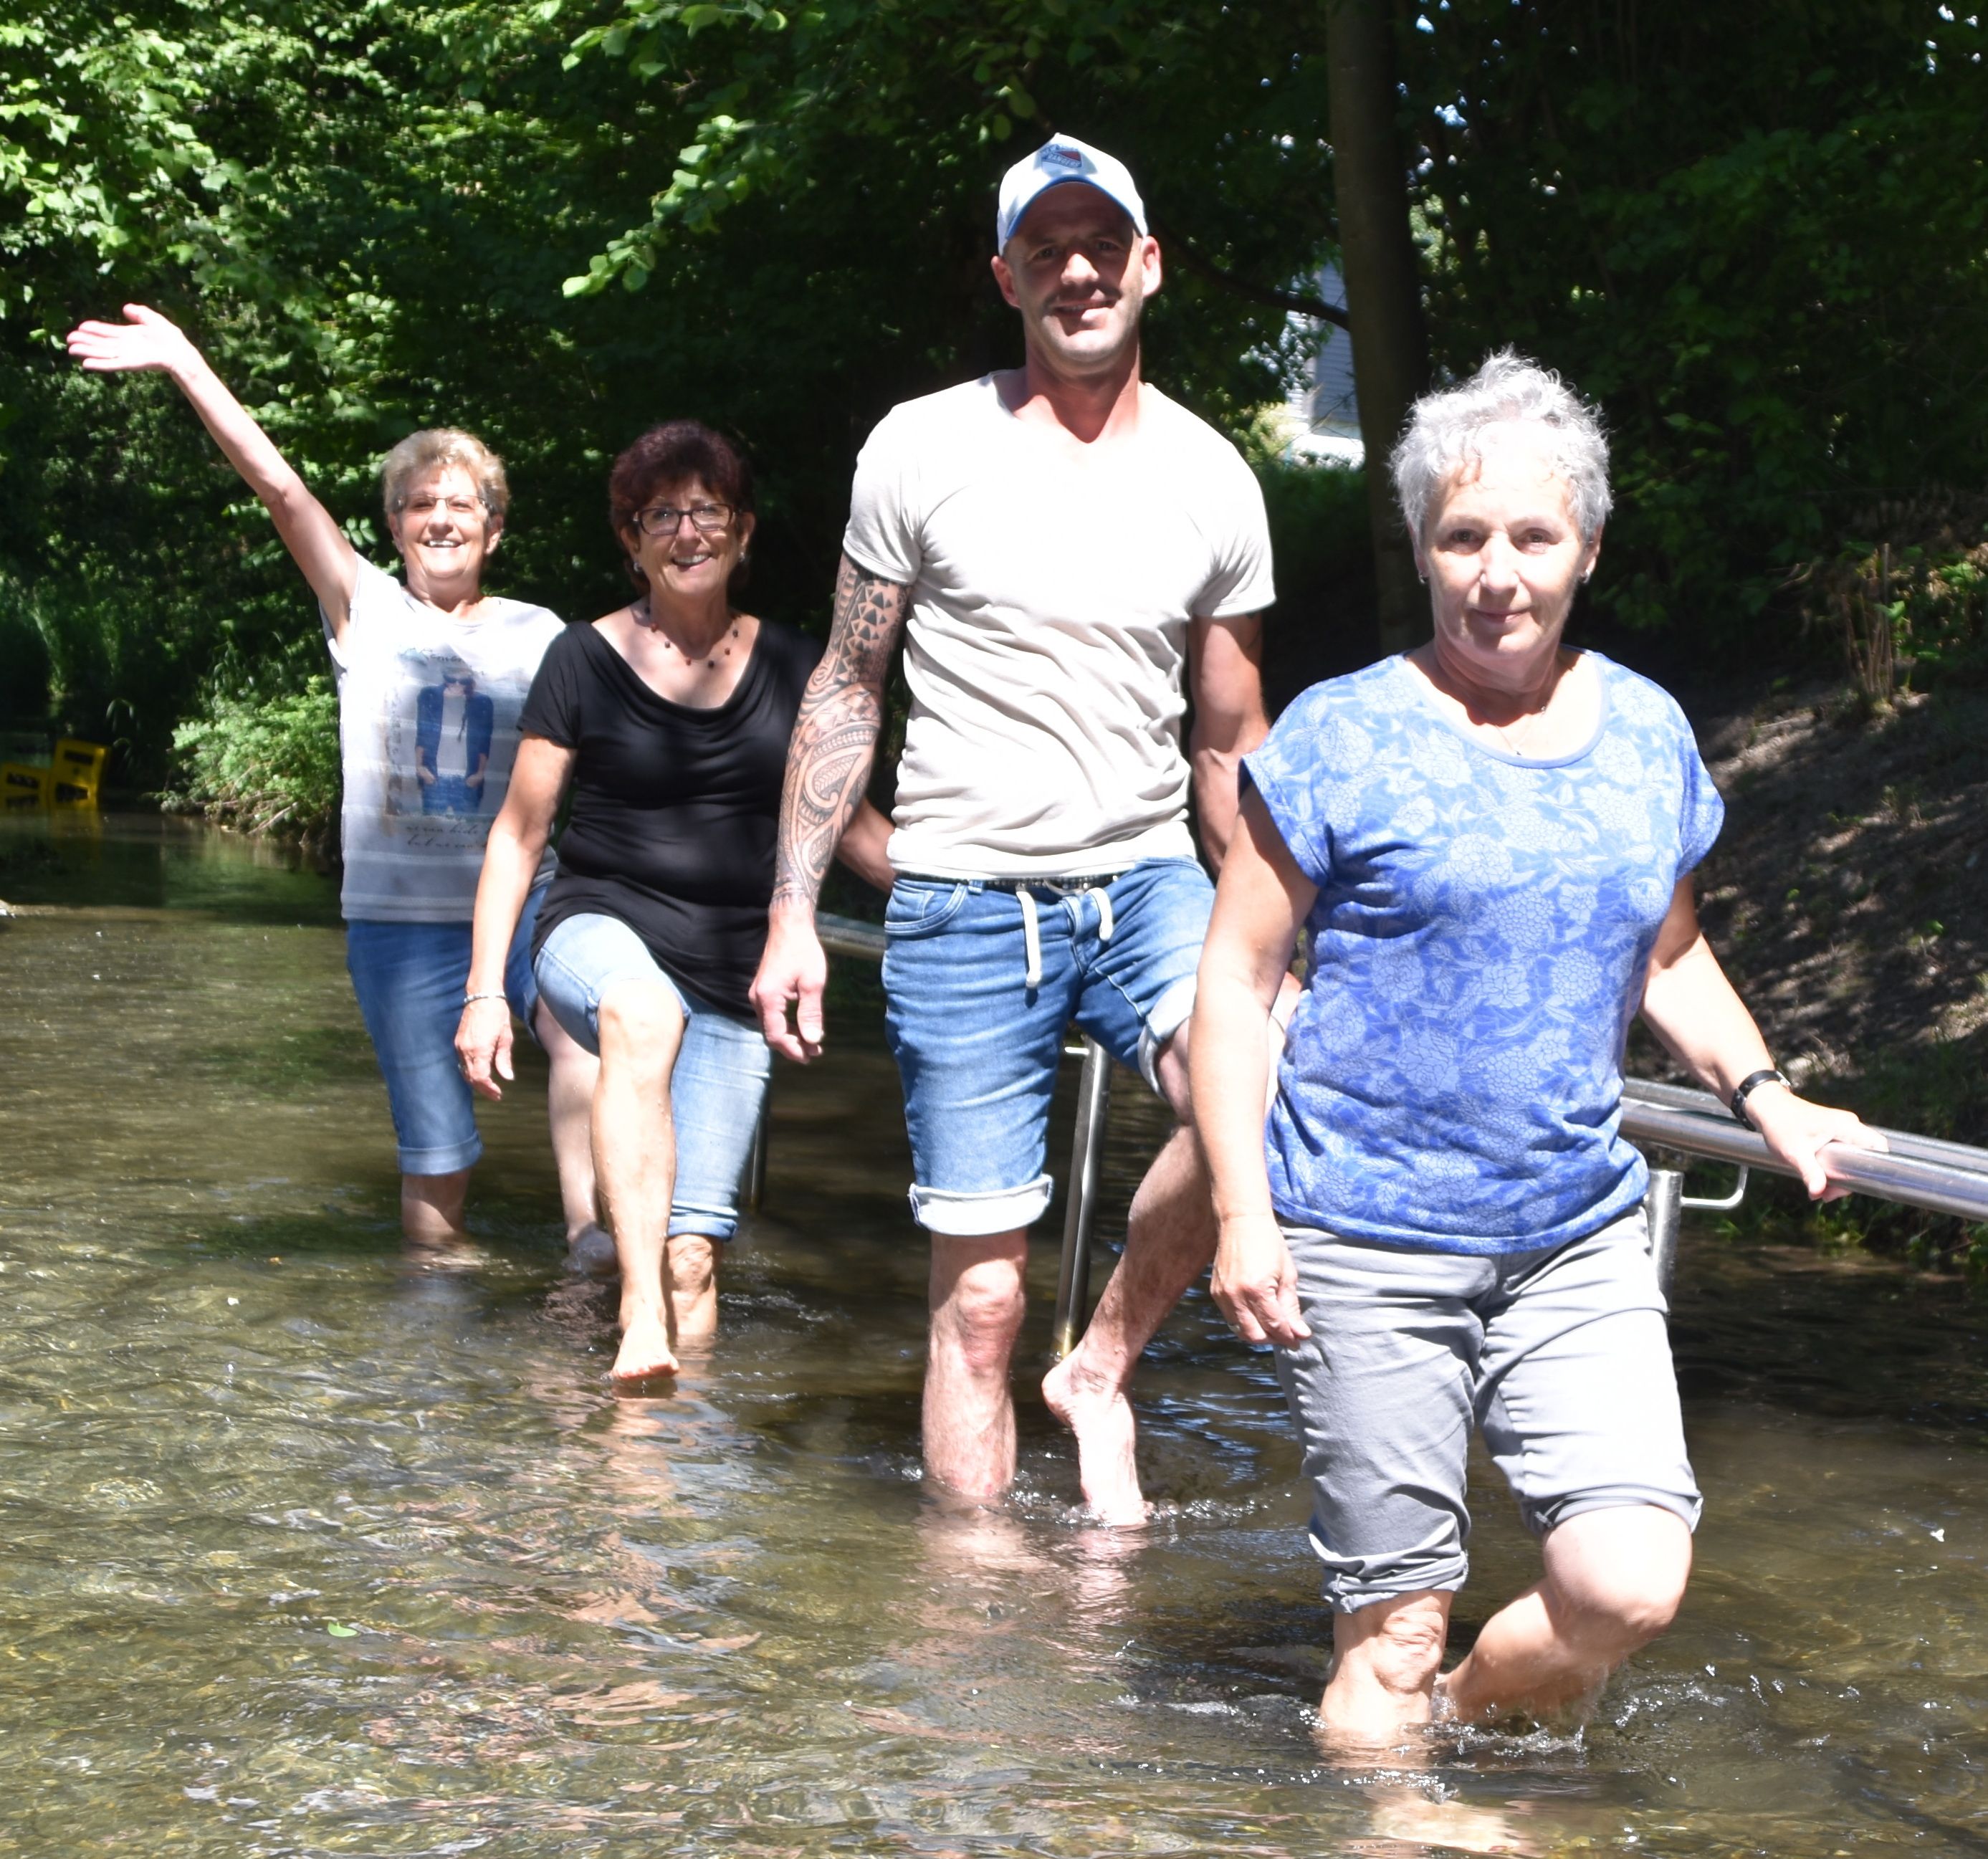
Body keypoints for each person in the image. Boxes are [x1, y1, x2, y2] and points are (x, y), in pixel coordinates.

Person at [1191, 350, 1883, 1738]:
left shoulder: (1645, 731)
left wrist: (1767, 1094)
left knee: (1627, 1584)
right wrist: (1239, 1212)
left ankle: (1456, 1718)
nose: (1496, 574)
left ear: (1589, 548)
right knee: (1390, 1633)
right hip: (1366, 1235)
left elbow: (1666, 954)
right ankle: (1405, 1782)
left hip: (1570, 1233)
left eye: (1531, 536)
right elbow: (1235, 976)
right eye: (1462, 537)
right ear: (1419, 548)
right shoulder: (1340, 734)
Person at [750, 137, 1277, 1522]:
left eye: (1102, 244)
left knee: (1260, 1097)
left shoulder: (1217, 476)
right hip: (964, 898)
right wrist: (794, 911)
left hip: (1149, 880)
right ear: (1006, 279)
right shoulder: (920, 445)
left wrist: (1286, 927)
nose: (1077, 271)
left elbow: (1228, 744)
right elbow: (846, 686)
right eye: (1046, 250)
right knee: (982, 1298)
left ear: (1148, 264)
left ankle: (1099, 1365)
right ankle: (971, 1613)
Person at [65, 305, 604, 1258]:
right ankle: (436, 1305)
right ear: (394, 525)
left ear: (494, 527)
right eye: (420, 504)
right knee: (437, 1156)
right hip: (398, 924)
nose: (441, 519)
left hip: (527, 902)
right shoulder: (364, 605)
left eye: (462, 505)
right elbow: (278, 488)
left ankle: (591, 1245)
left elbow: (602, 765)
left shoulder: (544, 632)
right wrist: (186, 362)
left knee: (587, 1036)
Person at [457, 421, 893, 1383]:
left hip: (731, 965)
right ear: (632, 539)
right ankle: (636, 1312)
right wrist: (485, 989)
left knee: (694, 1259)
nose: (687, 533)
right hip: (595, 929)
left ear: (743, 531)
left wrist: (970, 895)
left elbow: (851, 828)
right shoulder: (582, 657)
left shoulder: (798, 667)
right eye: (661, 515)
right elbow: (519, 834)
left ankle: (658, 1459)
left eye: (709, 511)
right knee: (642, 1013)